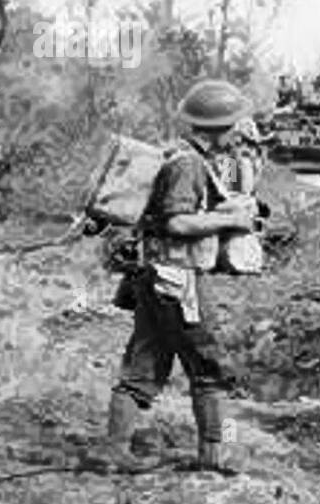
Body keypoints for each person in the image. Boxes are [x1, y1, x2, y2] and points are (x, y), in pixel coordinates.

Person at [97, 79, 260, 474]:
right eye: (236, 124)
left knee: (146, 361)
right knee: (209, 365)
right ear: (219, 126)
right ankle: (215, 455)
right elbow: (179, 222)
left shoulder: (178, 155)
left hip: (154, 275)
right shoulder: (188, 164)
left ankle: (114, 450)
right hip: (178, 277)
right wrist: (232, 218)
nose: (241, 132)